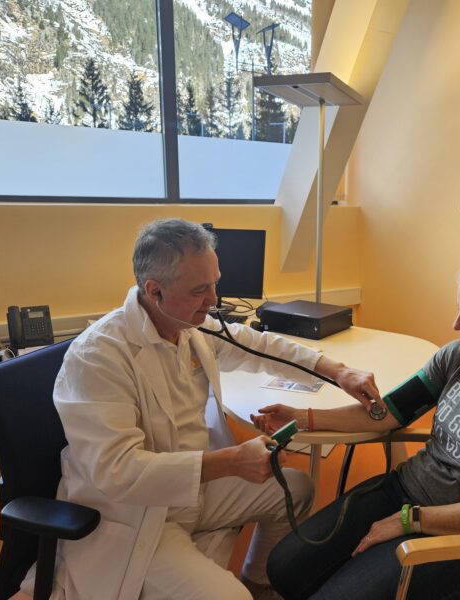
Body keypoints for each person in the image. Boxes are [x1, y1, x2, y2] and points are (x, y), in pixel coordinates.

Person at [47, 219, 381, 600]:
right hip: (139, 512)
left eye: (215, 283)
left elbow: (262, 345)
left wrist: (339, 371)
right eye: (199, 290)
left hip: (196, 488)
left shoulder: (191, 325)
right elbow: (116, 471)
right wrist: (231, 461)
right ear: (154, 291)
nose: (214, 300)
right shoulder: (99, 357)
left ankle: (259, 580)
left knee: (298, 488)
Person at [253, 256, 460, 600]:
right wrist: (303, 417)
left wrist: (408, 521)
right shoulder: (459, 356)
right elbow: (389, 413)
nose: (455, 323)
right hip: (405, 491)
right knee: (283, 566)